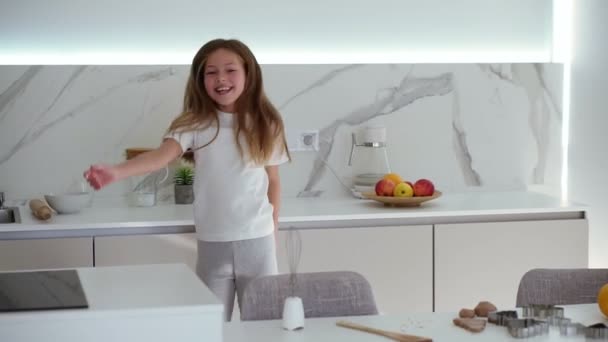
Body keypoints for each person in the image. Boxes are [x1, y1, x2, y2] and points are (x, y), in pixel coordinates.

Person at [84, 38, 291, 321]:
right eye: (210, 72)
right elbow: (159, 157)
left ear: (248, 73)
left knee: (266, 327)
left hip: (258, 241)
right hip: (212, 243)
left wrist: (273, 229)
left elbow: (274, 180)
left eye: (230, 70)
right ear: (200, 79)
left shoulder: (267, 122)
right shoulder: (194, 123)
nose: (221, 79)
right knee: (209, 327)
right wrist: (116, 172)